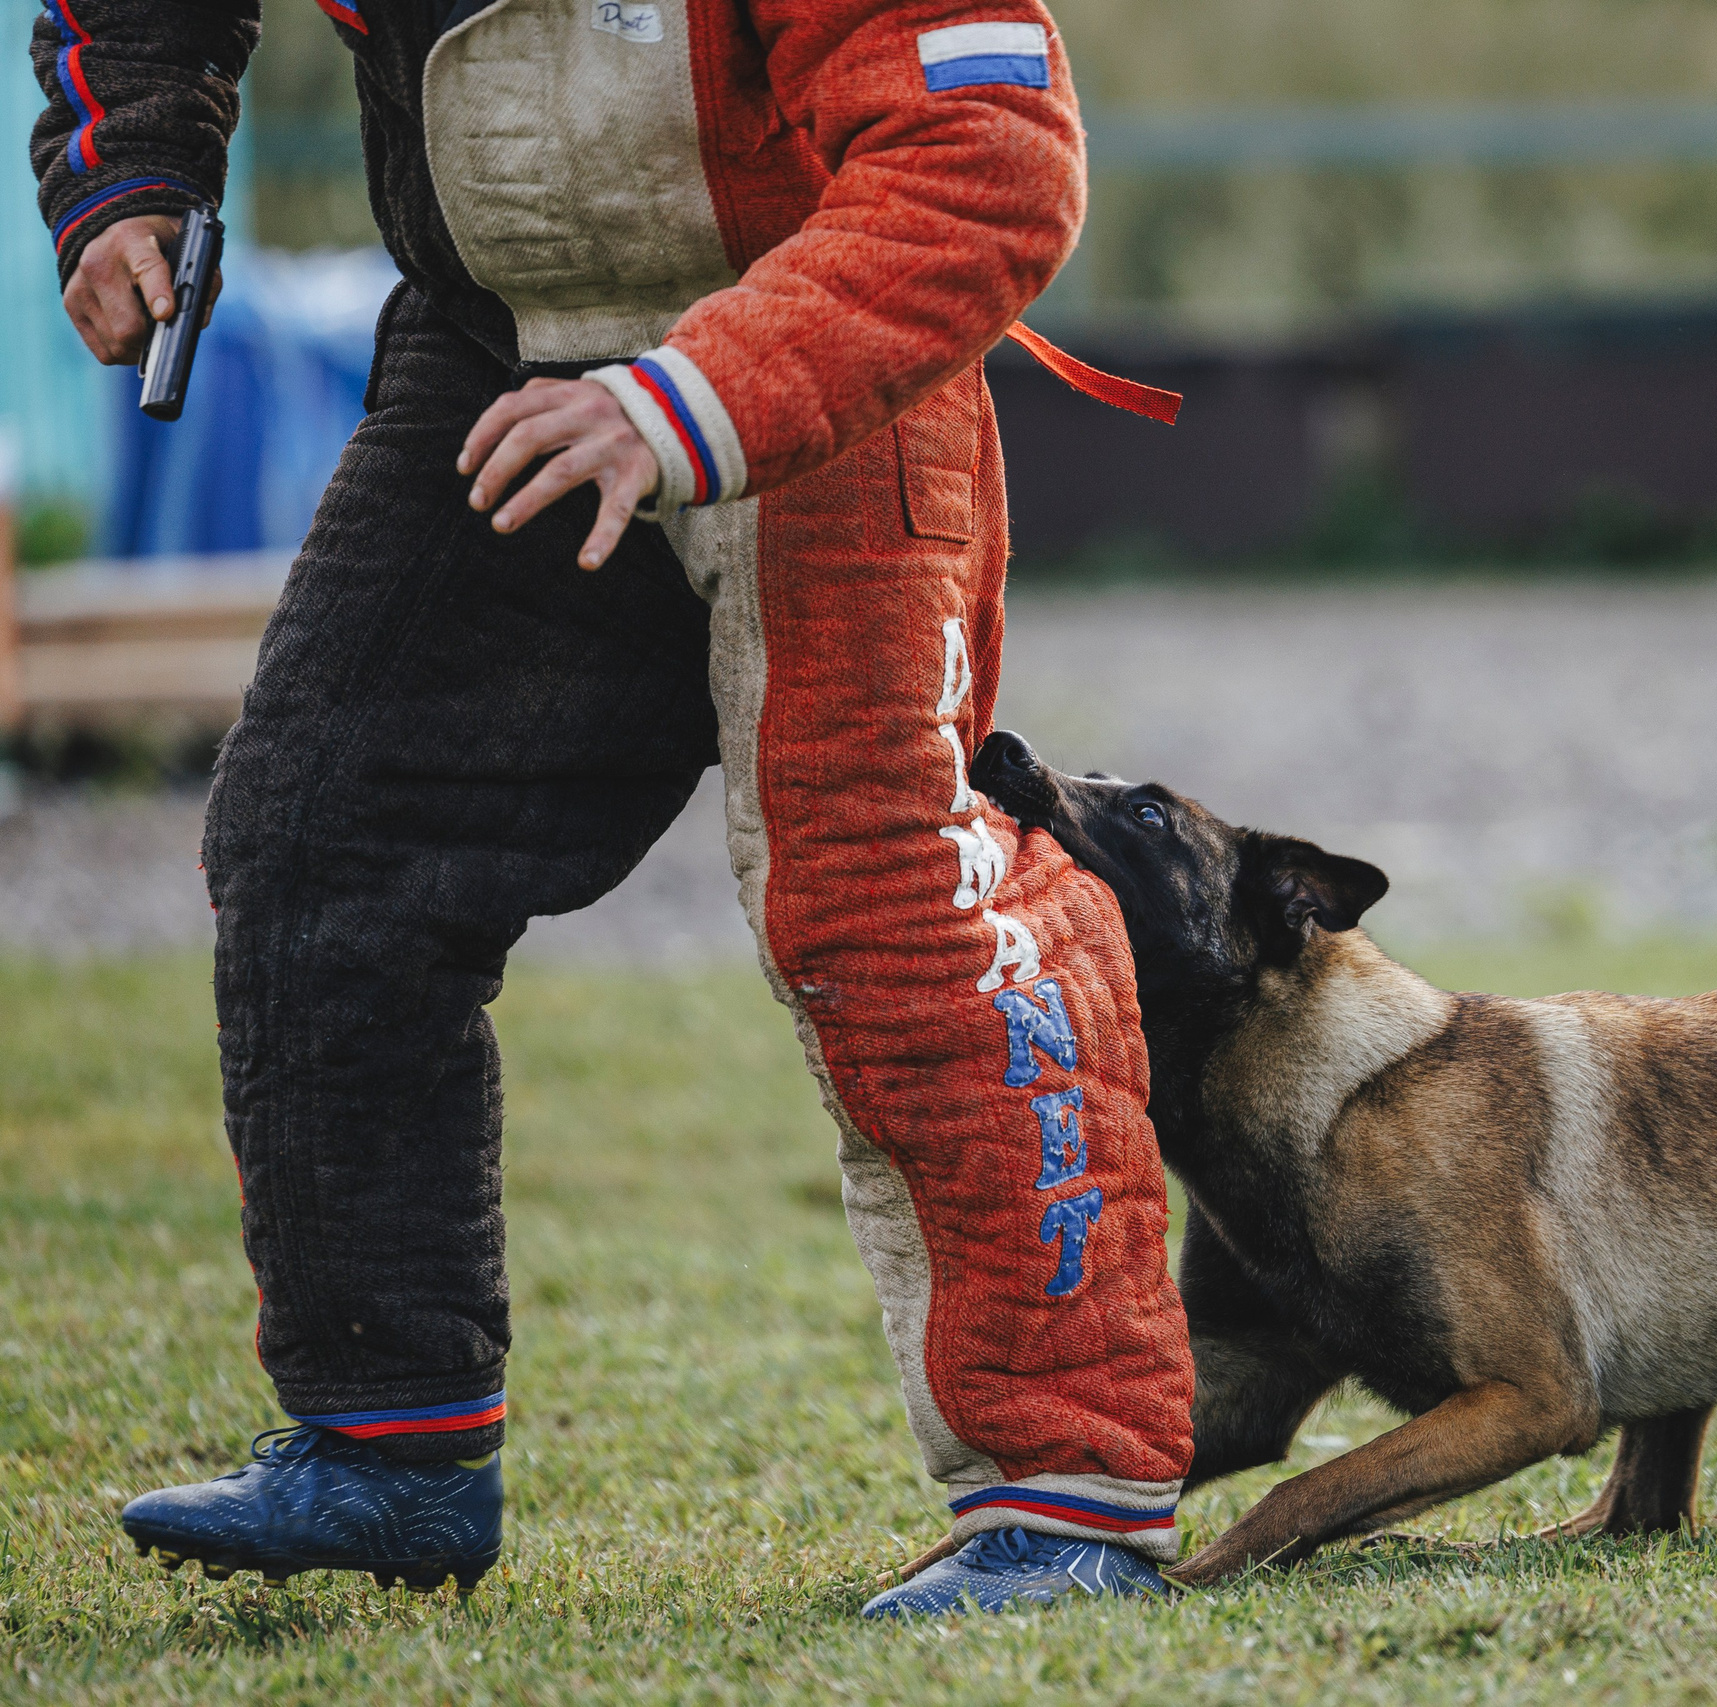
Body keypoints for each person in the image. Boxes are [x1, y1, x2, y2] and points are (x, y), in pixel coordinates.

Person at [32, 0, 1193, 1618]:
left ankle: (1073, 1492)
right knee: (320, 837)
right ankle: (392, 1440)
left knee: (879, 897)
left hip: (820, 346)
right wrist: (128, 168)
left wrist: (681, 401)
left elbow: (986, 163)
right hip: (501, 349)